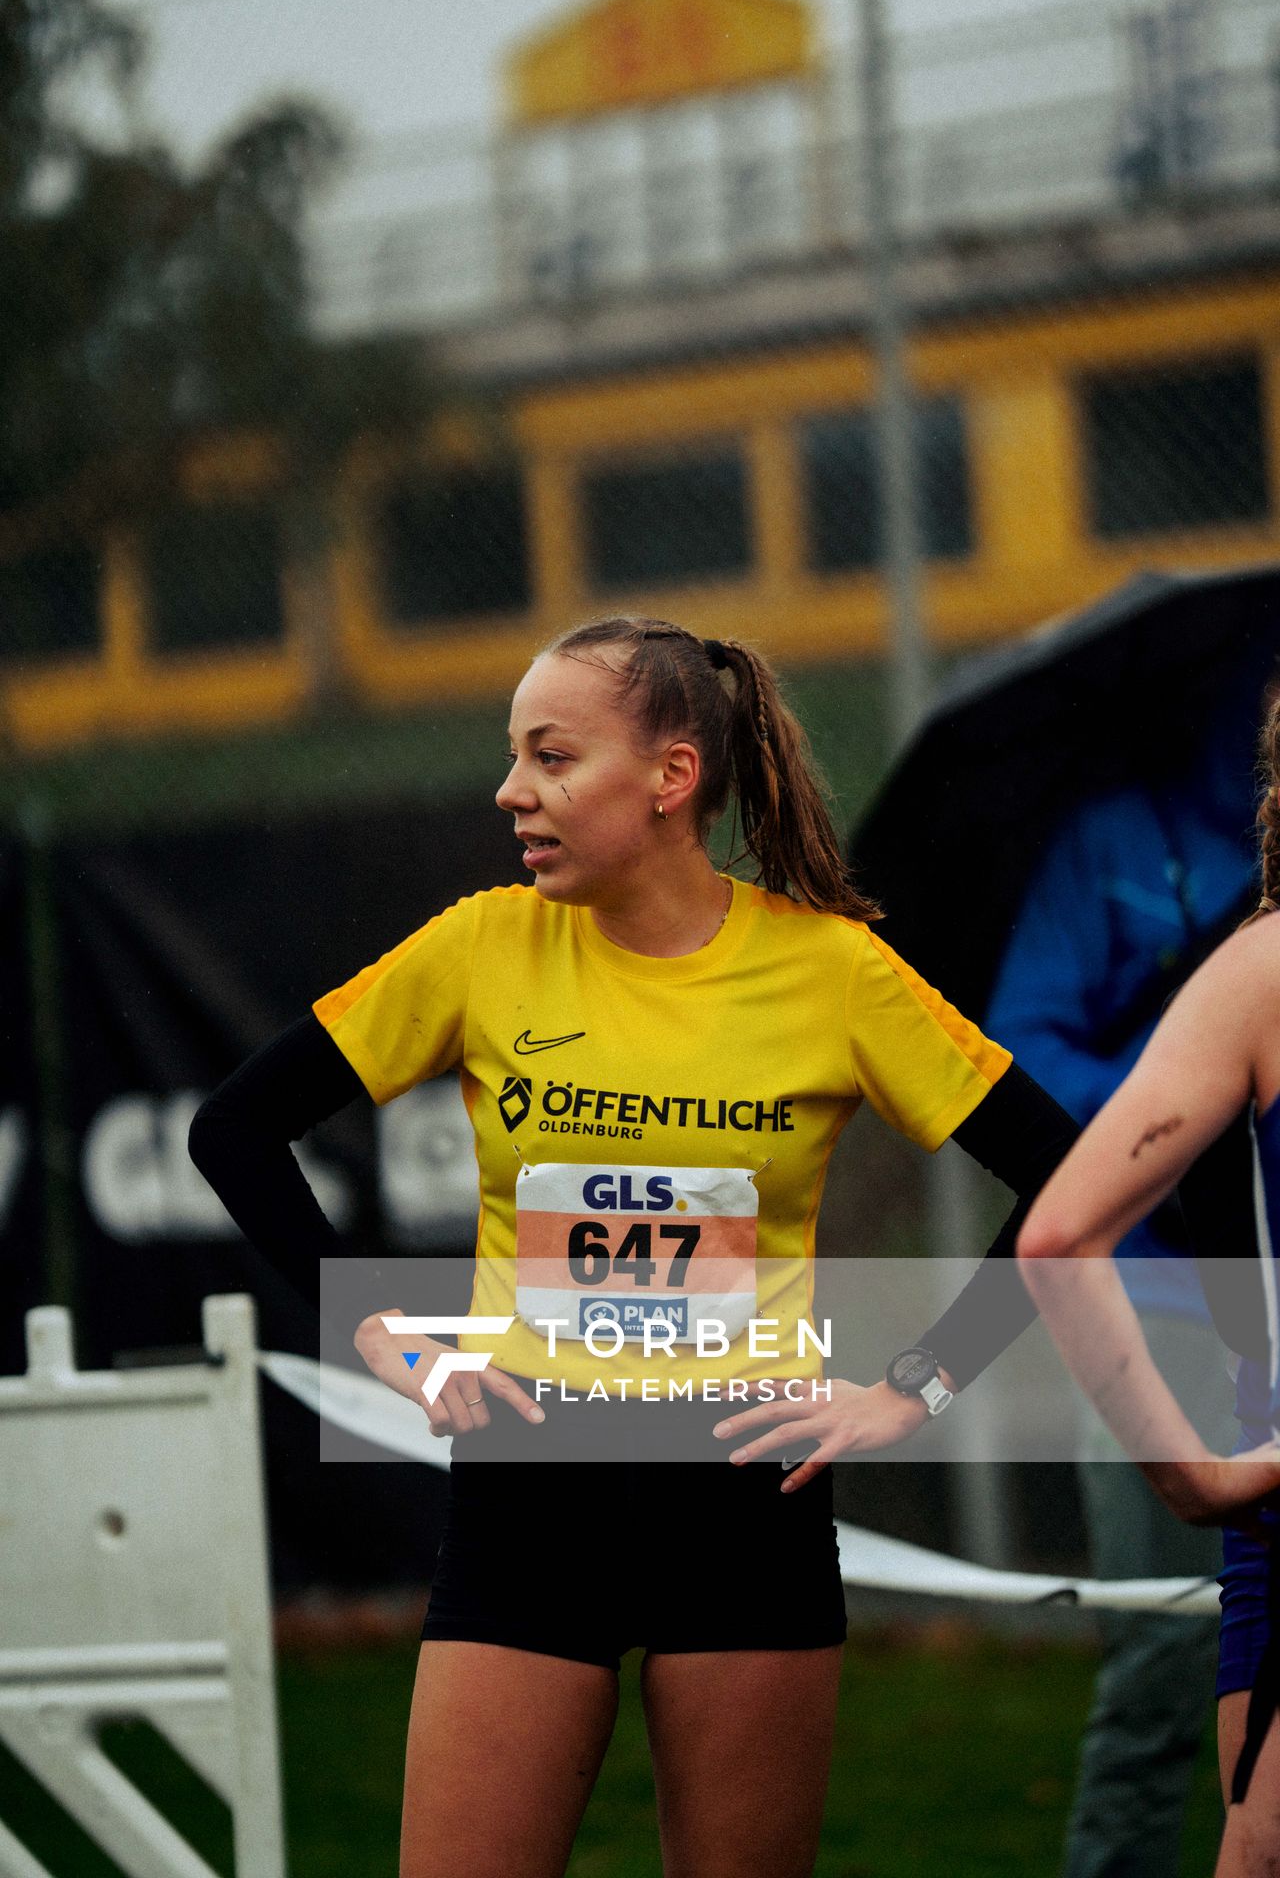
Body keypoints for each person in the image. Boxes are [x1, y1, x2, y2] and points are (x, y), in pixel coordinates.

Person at [190, 617, 1078, 1878]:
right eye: (513, 757)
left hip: (743, 1496)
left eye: (550, 757)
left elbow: (1068, 1178)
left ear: (669, 779)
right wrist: (387, 1340)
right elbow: (233, 1131)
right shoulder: (482, 945)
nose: (511, 790)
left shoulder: (831, 971)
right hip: (528, 1486)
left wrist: (915, 1388)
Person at [985, 688, 1262, 1878]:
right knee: (1158, 1655)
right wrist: (1184, 1072)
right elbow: (1022, 1048)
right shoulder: (1108, 844)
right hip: (1154, 1300)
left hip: (1252, 1306)